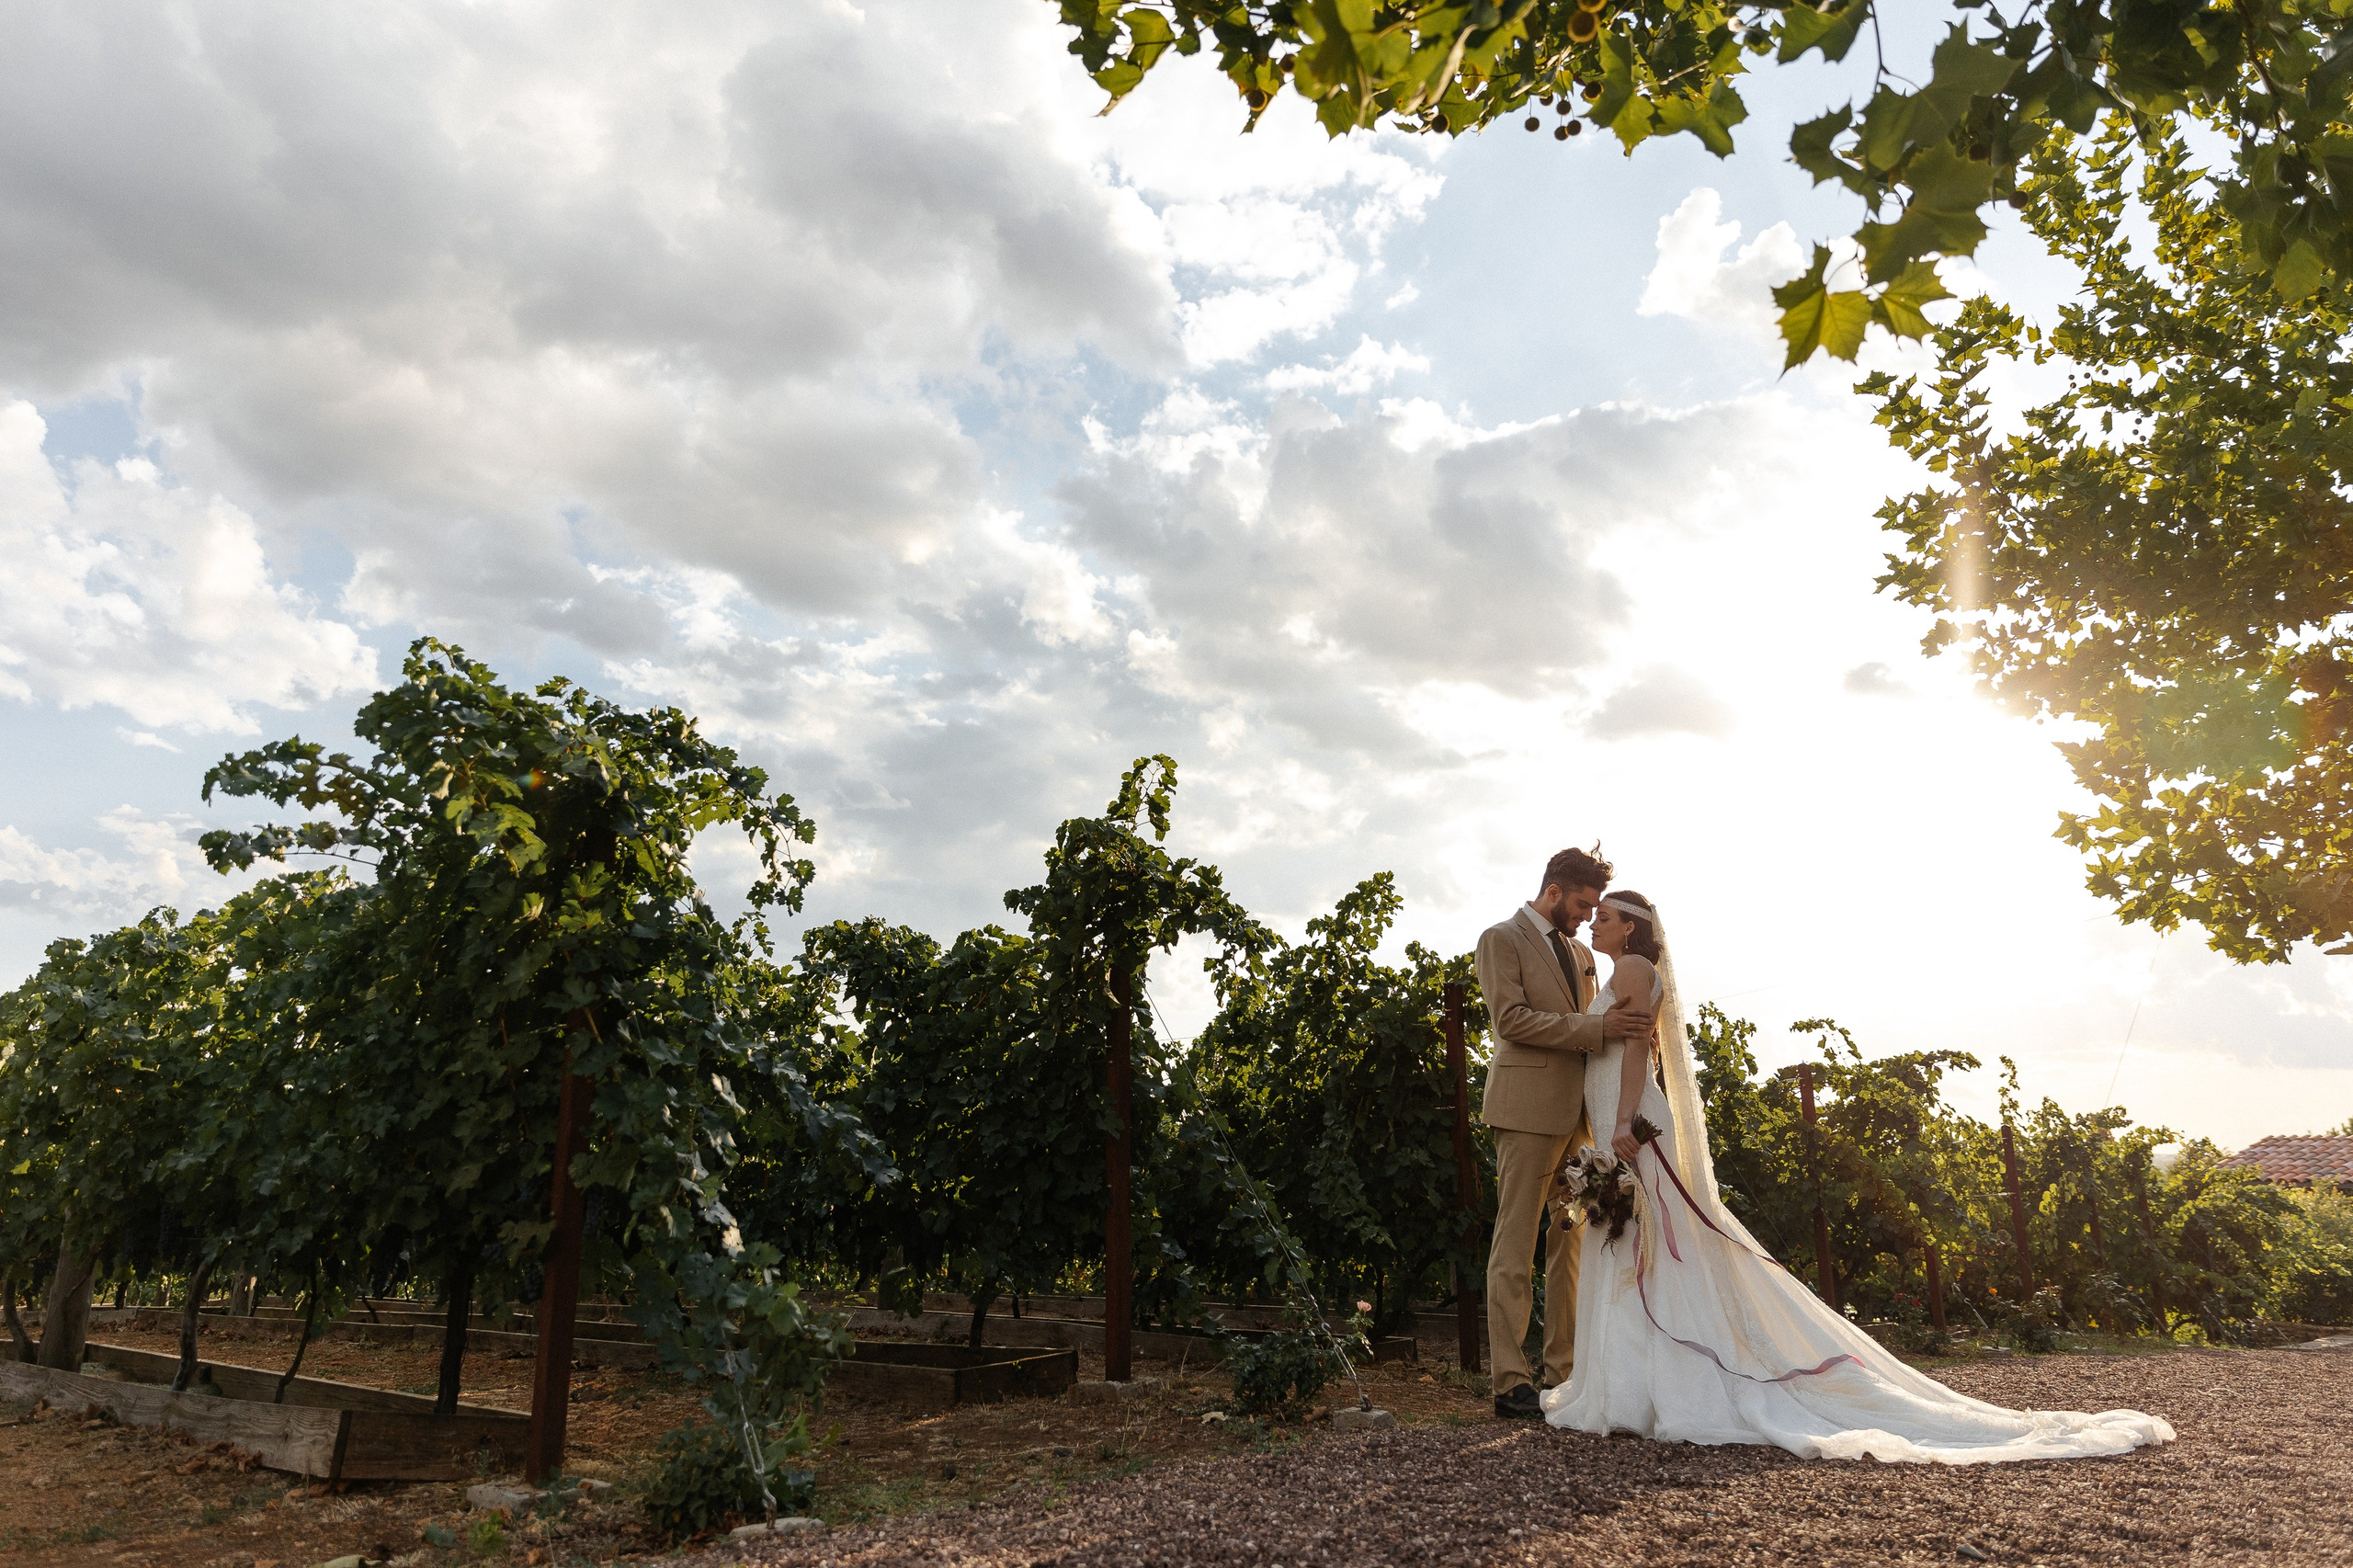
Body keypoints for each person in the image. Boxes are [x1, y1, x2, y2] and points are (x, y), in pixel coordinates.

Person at [1542, 890, 2176, 1462]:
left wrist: (1625, 1120)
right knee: (1629, 1242)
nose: (1596, 924)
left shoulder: (1631, 968)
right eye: (1595, 917)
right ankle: (1629, 1388)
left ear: (1633, 929)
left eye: (1607, 918)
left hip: (1631, 1120)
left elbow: (1632, 1049)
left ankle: (1643, 1392)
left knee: (1647, 1246)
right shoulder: (1625, 968)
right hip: (1616, 1118)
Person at [1473, 846, 1654, 1419]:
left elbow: (1599, 1030)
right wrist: (1596, 1026)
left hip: (1579, 1118)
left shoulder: (1582, 953)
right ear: (1554, 892)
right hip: (1524, 1111)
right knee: (1516, 1243)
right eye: (1581, 904)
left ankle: (1563, 1372)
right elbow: (1511, 1020)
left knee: (1570, 1243)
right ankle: (1509, 1381)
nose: (1586, 916)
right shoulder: (1499, 939)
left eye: (1594, 907)